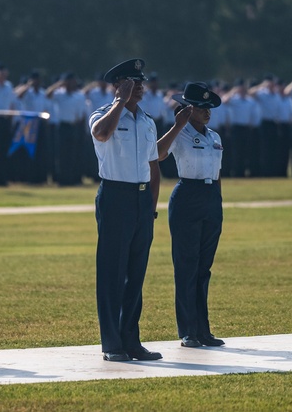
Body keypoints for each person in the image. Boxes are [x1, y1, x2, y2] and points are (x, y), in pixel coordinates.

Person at [89, 58, 162, 362]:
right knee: (112, 273)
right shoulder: (102, 114)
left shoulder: (146, 121)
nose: (140, 88)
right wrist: (119, 102)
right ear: (118, 85)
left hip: (141, 199)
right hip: (116, 196)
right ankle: (112, 343)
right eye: (133, 83)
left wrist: (151, 207)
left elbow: (153, 166)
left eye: (141, 83)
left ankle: (132, 340)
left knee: (135, 273)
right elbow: (102, 134)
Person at [156, 82, 227, 348]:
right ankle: (187, 331)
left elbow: (218, 173)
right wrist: (176, 125)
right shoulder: (180, 134)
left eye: (209, 107)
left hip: (210, 199)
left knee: (203, 268)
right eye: (201, 107)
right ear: (188, 109)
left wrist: (218, 203)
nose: (207, 112)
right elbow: (158, 154)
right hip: (187, 196)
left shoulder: (215, 137)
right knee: (186, 266)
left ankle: (203, 330)